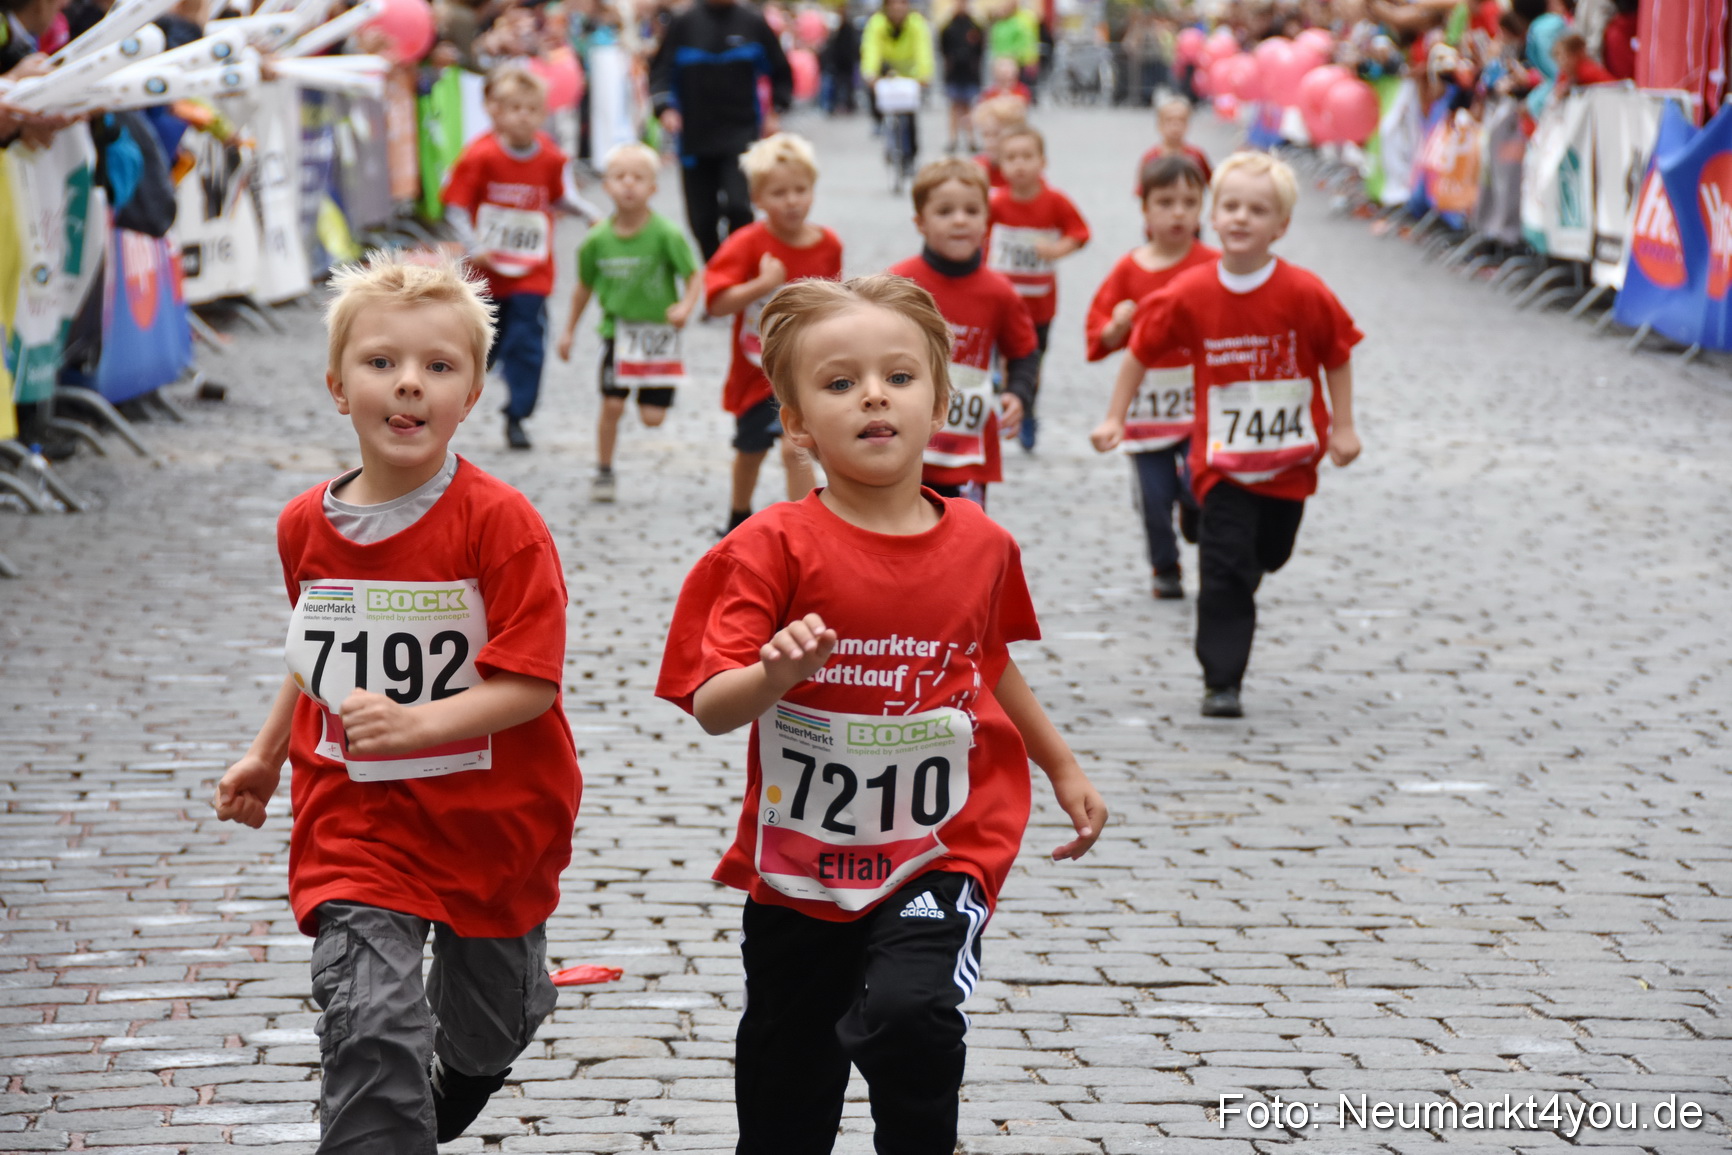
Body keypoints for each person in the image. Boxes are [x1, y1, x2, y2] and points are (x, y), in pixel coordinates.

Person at [655, 272, 1106, 1155]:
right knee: (788, 1094)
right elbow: (712, 705)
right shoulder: (767, 547)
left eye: (899, 377)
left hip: (940, 846)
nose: (873, 395)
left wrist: (1061, 765)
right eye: (838, 382)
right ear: (794, 423)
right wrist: (773, 676)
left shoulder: (983, 543)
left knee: (913, 1013)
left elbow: (988, 659)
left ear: (940, 401)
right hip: (800, 869)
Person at [211, 254, 582, 1151]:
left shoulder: (501, 524)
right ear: (339, 388)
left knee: (491, 1025)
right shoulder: (306, 524)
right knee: (370, 1021)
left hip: (492, 820)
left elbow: (531, 681)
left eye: (437, 367)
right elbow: (315, 657)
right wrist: (267, 753)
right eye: (381, 364)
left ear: (472, 392)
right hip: (359, 816)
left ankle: (465, 1063)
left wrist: (419, 722)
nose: (408, 384)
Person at [1090, 153, 1362, 719]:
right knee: (1224, 570)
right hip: (1221, 464)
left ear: (1281, 225)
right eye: (1230, 206)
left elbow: (1336, 355)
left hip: (1288, 467)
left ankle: (1220, 538)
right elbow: (1140, 350)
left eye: (1257, 210)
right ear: (1213, 216)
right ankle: (1221, 681)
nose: (1241, 218)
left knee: (1270, 553)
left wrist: (1343, 426)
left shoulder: (1304, 292)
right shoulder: (1190, 291)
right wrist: (1115, 417)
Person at [1085, 155, 1217, 600]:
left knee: (1199, 481)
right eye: (1165, 202)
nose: (1178, 212)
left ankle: (1196, 512)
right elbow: (1098, 330)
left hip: (1202, 402)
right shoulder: (1130, 268)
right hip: (1147, 404)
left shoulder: (1214, 264)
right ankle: (1165, 566)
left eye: (1189, 202)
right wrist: (1116, 327)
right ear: (1144, 210)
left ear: (1203, 209)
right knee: (1153, 496)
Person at [705, 132, 842, 534]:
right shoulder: (746, 243)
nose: (792, 200)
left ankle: (806, 525)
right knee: (750, 449)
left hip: (807, 370)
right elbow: (716, 303)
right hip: (757, 370)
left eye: (801, 189)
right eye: (779, 192)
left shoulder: (828, 243)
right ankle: (737, 515)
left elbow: (835, 303)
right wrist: (761, 285)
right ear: (759, 199)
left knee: (795, 446)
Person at [556, 142, 703, 504]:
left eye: (638, 177)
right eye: (619, 177)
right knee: (612, 405)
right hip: (617, 334)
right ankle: (604, 470)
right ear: (605, 185)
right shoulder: (596, 240)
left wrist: (685, 307)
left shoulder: (666, 234)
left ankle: (653, 396)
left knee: (652, 418)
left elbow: (695, 275)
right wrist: (569, 331)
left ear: (653, 187)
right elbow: (582, 289)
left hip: (657, 336)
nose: (628, 185)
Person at [891, 158, 1038, 509]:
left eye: (971, 210)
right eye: (945, 211)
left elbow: (1023, 352)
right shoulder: (897, 284)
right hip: (905, 443)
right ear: (920, 222)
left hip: (968, 447)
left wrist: (1018, 395)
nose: (960, 220)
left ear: (987, 221)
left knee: (964, 543)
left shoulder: (999, 292)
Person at [441, 65, 573, 451]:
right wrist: (472, 247)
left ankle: (517, 414)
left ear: (543, 113)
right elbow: (455, 205)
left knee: (528, 341)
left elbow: (562, 195)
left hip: (532, 272)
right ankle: (451, 405)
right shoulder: (480, 155)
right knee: (483, 347)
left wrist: (594, 215)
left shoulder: (550, 155)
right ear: (495, 110)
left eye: (531, 109)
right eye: (514, 108)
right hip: (487, 275)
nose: (522, 116)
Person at [649, 0, 792, 261]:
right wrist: (665, 108)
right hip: (695, 137)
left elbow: (781, 71)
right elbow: (660, 71)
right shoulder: (684, 23)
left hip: (741, 133)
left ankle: (739, 269)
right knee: (702, 220)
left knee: (740, 207)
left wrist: (776, 111)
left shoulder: (753, 22)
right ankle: (717, 275)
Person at [986, 124, 1089, 451]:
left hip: (1039, 305)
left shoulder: (1055, 201)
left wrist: (1057, 250)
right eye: (1011, 158)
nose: (1020, 164)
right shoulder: (995, 204)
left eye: (1027, 157)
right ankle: (1002, 401)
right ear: (1000, 165)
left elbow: (1080, 233)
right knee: (1001, 357)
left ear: (1043, 161)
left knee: (1032, 361)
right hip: (999, 302)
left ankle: (1027, 407)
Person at [860, 0, 933, 165]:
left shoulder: (916, 23)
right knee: (875, 94)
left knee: (910, 114)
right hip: (886, 70)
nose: (898, 9)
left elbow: (923, 51)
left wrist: (924, 75)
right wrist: (870, 73)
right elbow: (871, 49)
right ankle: (879, 125)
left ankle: (911, 156)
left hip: (910, 73)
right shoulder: (877, 23)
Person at [1136, 96, 1211, 192]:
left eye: (1181, 120)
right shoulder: (1151, 158)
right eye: (1169, 120)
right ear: (1159, 125)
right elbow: (1142, 191)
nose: (1175, 126)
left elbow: (1212, 183)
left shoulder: (1197, 155)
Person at [938, 3, 984, 152]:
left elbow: (981, 48)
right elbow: (942, 48)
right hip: (954, 72)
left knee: (969, 106)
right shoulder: (949, 27)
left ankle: (971, 138)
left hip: (969, 72)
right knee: (954, 106)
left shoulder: (975, 26)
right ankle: (953, 138)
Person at [969, 92, 1026, 189]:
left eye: (997, 134)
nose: (990, 142)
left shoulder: (1024, 169)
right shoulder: (977, 167)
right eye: (985, 135)